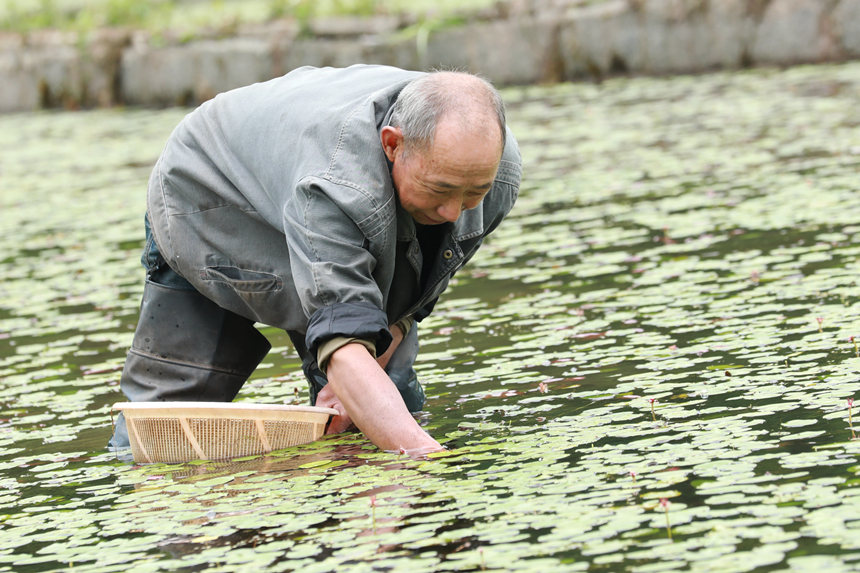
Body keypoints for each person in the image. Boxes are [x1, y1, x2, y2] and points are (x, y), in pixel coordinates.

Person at [109, 64, 522, 455]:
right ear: (393, 145)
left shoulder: (494, 172)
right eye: (441, 189)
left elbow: (409, 303)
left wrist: (372, 370)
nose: (455, 212)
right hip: (209, 204)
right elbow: (343, 340)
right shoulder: (336, 185)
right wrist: (422, 455)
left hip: (322, 186)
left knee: (388, 394)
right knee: (164, 426)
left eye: (473, 193)